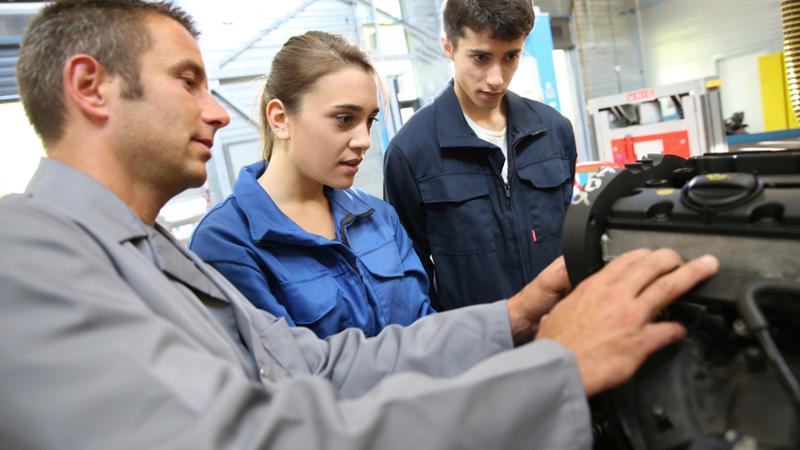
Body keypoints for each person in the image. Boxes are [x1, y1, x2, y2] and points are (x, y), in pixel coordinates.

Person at [0, 1, 719, 449]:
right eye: (188, 80)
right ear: (90, 86)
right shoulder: (25, 257)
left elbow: (324, 364)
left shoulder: (155, 255)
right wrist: (549, 371)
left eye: (370, 120)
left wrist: (514, 316)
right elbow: (253, 434)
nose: (218, 110)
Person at [189, 31, 435, 339]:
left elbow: (428, 332)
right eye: (344, 118)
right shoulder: (227, 243)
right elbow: (286, 370)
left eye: (370, 120)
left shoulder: (379, 218)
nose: (364, 141)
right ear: (280, 119)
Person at [384, 0, 578, 311]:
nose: (496, 78)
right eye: (481, 57)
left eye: (511, 57)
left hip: (562, 329)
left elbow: (571, 240)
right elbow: (412, 277)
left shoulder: (554, 131)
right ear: (448, 46)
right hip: (481, 348)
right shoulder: (410, 152)